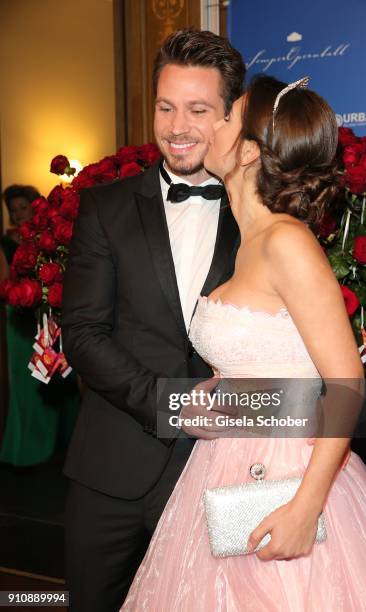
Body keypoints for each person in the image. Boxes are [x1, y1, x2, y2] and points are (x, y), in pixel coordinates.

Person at [120, 76, 366, 611]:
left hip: (287, 479)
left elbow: (345, 385)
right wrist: (221, 399)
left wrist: (306, 507)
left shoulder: (286, 242)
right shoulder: (251, 242)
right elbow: (278, 369)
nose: (210, 123)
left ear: (249, 150)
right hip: (225, 468)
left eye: (226, 116)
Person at [61, 28, 245, 612]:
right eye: (166, 107)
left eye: (197, 109)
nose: (177, 126)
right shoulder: (105, 207)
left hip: (220, 472)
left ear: (231, 113)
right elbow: (83, 332)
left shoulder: (263, 220)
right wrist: (172, 403)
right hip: (110, 469)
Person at [0, 185, 79, 466]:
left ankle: (64, 445)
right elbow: (5, 284)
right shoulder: (6, 244)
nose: (19, 214)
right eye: (14, 210)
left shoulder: (50, 239)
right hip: (20, 320)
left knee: (58, 375)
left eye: (23, 208)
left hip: (50, 317)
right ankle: (30, 449)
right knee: (28, 386)